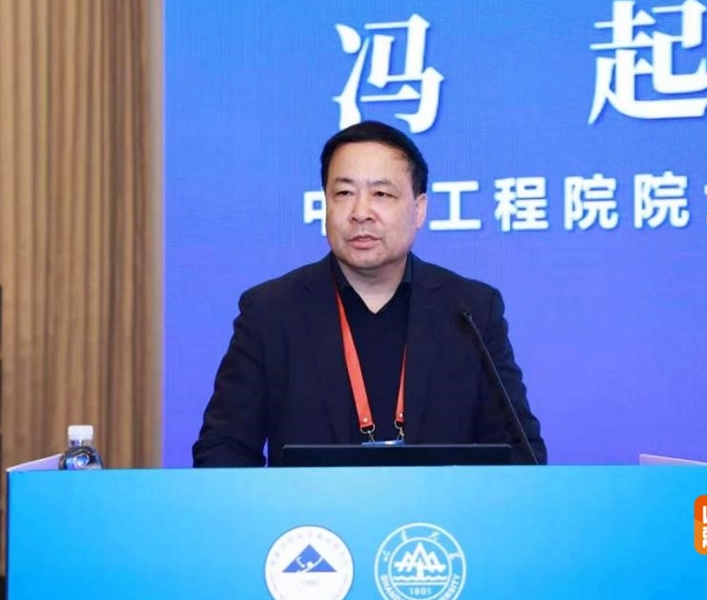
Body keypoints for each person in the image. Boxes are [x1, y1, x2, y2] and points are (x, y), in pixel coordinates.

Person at [192, 120, 547, 467]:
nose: (361, 212)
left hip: (441, 510)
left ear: (419, 209)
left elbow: (520, 454)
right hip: (313, 509)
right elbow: (222, 451)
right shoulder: (270, 313)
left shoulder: (470, 311)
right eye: (344, 193)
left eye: (381, 194)